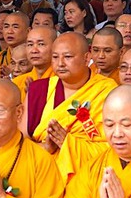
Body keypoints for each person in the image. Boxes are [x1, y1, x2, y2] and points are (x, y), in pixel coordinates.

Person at [26, 32, 115, 170]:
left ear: (86, 58)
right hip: (41, 172)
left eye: (67, 57)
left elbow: (114, 146)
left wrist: (68, 144)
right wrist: (46, 147)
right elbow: (20, 143)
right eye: (55, 57)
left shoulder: (107, 91)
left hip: (86, 179)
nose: (60, 63)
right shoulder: (39, 90)